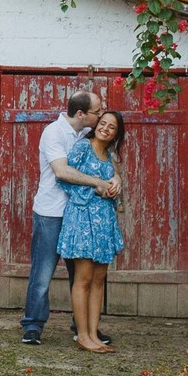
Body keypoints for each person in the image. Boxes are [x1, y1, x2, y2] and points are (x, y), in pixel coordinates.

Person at [19, 91, 120, 346]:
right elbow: (62, 171)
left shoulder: (85, 135)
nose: (100, 115)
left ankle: (83, 328)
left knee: (82, 275)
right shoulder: (54, 133)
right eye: (97, 112)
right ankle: (33, 326)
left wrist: (116, 178)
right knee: (43, 272)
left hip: (80, 215)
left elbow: (106, 160)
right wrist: (98, 183)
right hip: (52, 212)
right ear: (80, 114)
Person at [58, 110, 127, 354]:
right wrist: (95, 189)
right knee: (84, 278)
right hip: (83, 219)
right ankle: (82, 335)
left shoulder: (110, 156)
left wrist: (116, 185)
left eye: (112, 127)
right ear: (96, 124)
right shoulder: (82, 148)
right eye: (103, 123)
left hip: (104, 222)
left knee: (99, 280)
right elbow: (65, 179)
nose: (105, 129)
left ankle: (94, 335)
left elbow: (112, 183)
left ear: (116, 134)